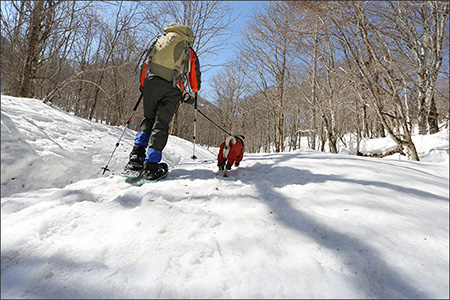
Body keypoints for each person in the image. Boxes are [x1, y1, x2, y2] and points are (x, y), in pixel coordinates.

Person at [124, 23, 201, 181]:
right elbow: (195, 82)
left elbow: (146, 64)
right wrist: (195, 91)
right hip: (171, 89)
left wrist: (143, 86)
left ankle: (135, 159)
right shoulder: (188, 50)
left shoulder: (159, 41)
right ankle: (151, 166)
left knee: (148, 120)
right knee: (161, 124)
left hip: (150, 83)